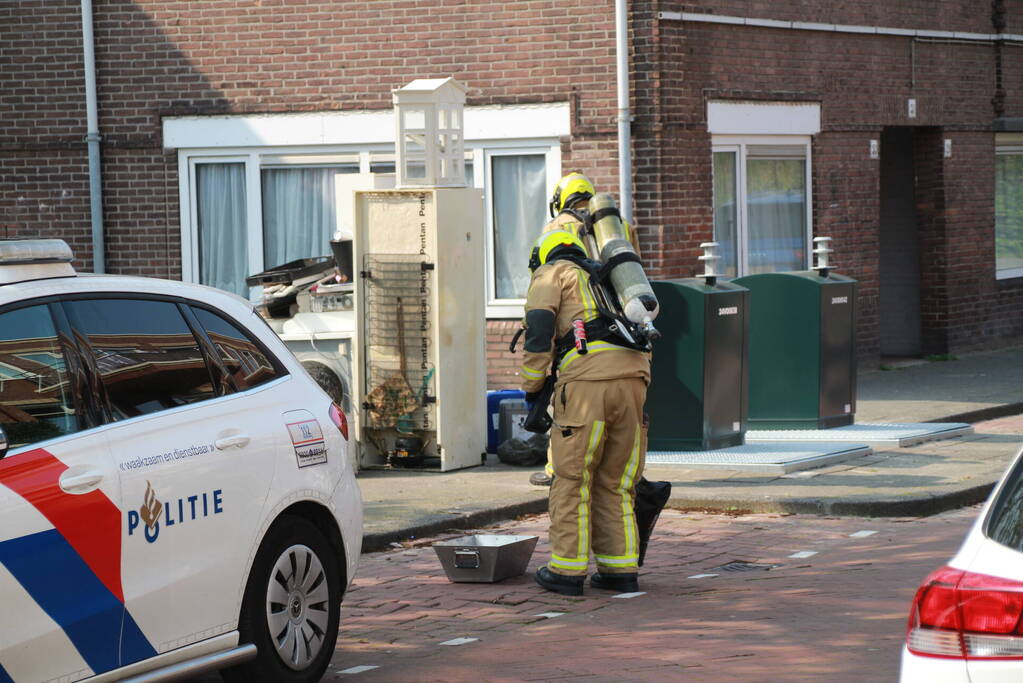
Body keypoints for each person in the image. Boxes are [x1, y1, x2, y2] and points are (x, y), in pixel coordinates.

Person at [520, 229, 651, 596]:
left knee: (572, 478)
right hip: (635, 380)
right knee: (617, 480)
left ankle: (566, 570)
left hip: (587, 384)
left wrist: (532, 388)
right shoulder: (610, 281)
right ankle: (619, 569)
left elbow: (539, 331)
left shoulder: (552, 273)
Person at [528, 172, 642, 488]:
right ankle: (615, 467)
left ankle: (557, 468)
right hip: (624, 333)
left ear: (559, 200)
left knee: (564, 400)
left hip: (578, 327)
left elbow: (544, 281)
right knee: (622, 411)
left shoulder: (557, 228)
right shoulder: (618, 227)